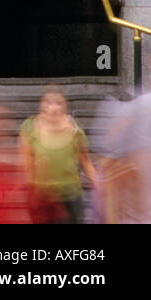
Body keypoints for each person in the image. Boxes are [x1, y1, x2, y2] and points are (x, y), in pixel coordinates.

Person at [20, 87, 97, 224]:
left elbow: (85, 161)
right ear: (41, 105)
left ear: (65, 105)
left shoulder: (74, 129)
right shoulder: (30, 127)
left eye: (58, 103)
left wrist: (98, 184)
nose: (53, 107)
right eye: (49, 103)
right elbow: (26, 164)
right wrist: (31, 191)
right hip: (42, 197)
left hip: (70, 196)